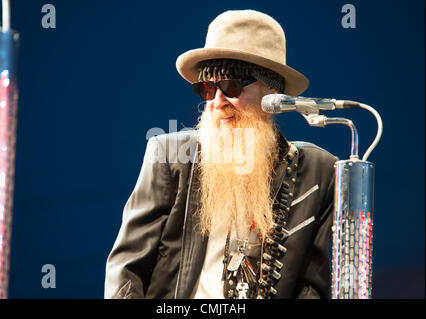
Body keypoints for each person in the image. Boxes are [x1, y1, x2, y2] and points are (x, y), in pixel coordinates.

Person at [104, 9, 337, 299]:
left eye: (230, 85)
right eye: (206, 88)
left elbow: (311, 286)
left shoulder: (319, 171)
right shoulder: (171, 156)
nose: (217, 102)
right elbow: (126, 270)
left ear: (272, 92)